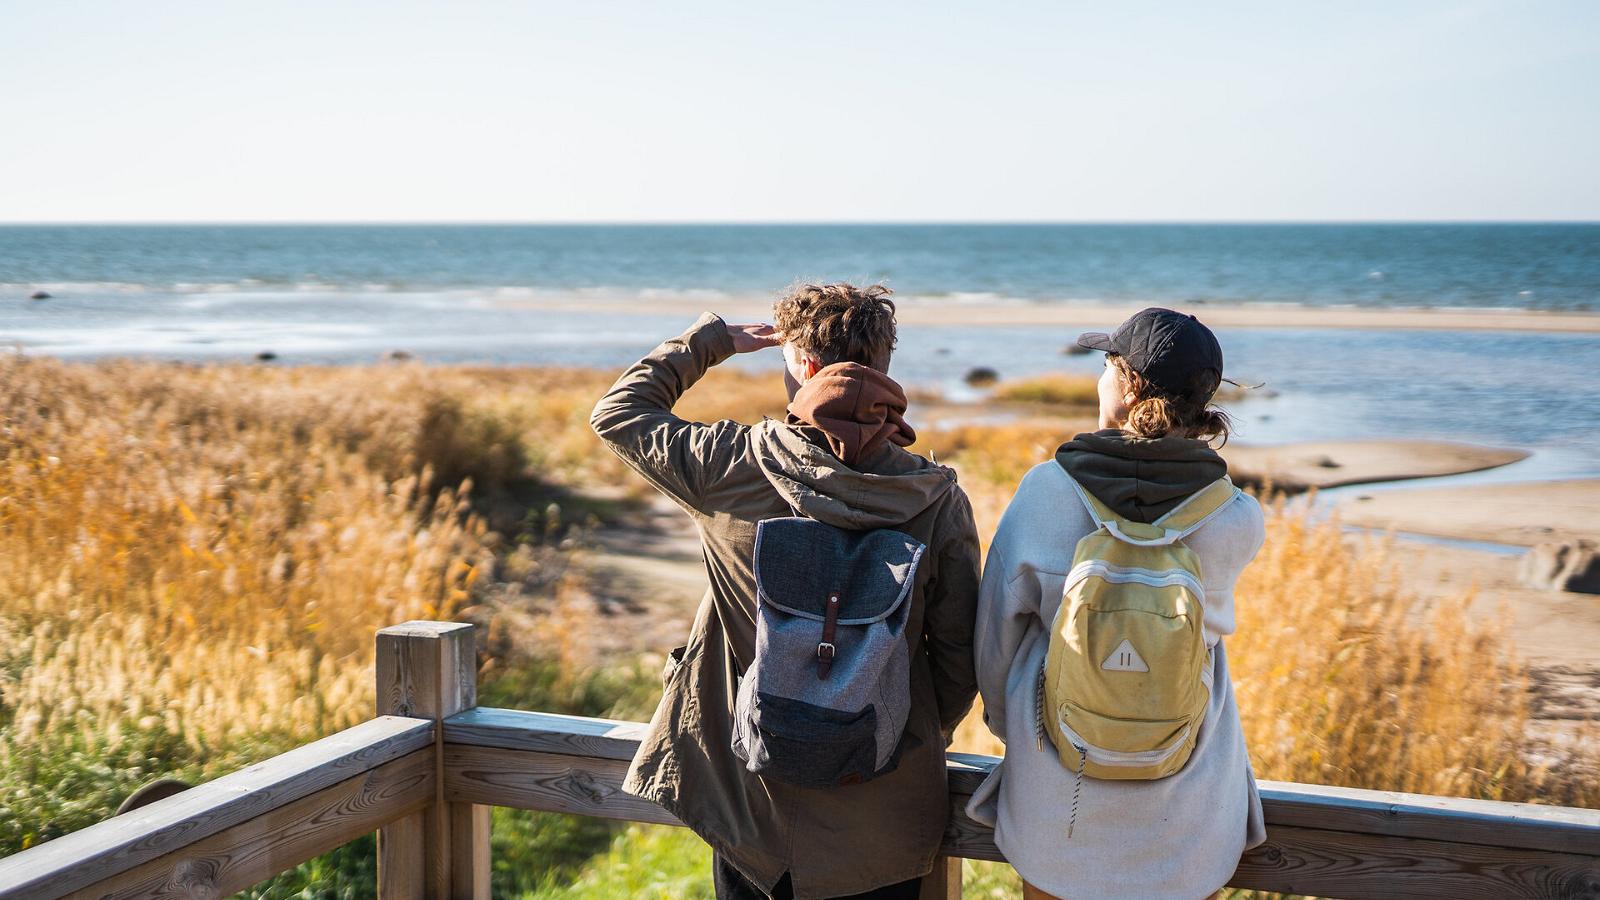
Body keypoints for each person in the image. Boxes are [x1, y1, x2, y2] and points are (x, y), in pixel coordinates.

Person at [591, 283, 981, 900]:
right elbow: (959, 658)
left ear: (800, 364)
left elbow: (618, 413)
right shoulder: (935, 498)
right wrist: (904, 732)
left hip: (752, 810)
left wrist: (712, 342)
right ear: (883, 367)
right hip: (879, 817)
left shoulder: (733, 466)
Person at [966, 308, 1267, 900]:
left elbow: (994, 643)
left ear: (1125, 385)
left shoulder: (1045, 492)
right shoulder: (1237, 517)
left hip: (1061, 800)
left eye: (1106, 366)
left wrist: (1020, 735)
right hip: (1187, 802)